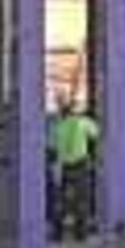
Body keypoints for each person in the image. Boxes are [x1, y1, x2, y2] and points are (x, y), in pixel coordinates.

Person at [46, 98, 100, 239]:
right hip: (80, 164)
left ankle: (57, 233)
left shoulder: (58, 126)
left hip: (64, 167)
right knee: (81, 200)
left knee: (62, 201)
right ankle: (80, 234)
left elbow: (52, 147)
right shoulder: (83, 122)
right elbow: (96, 133)